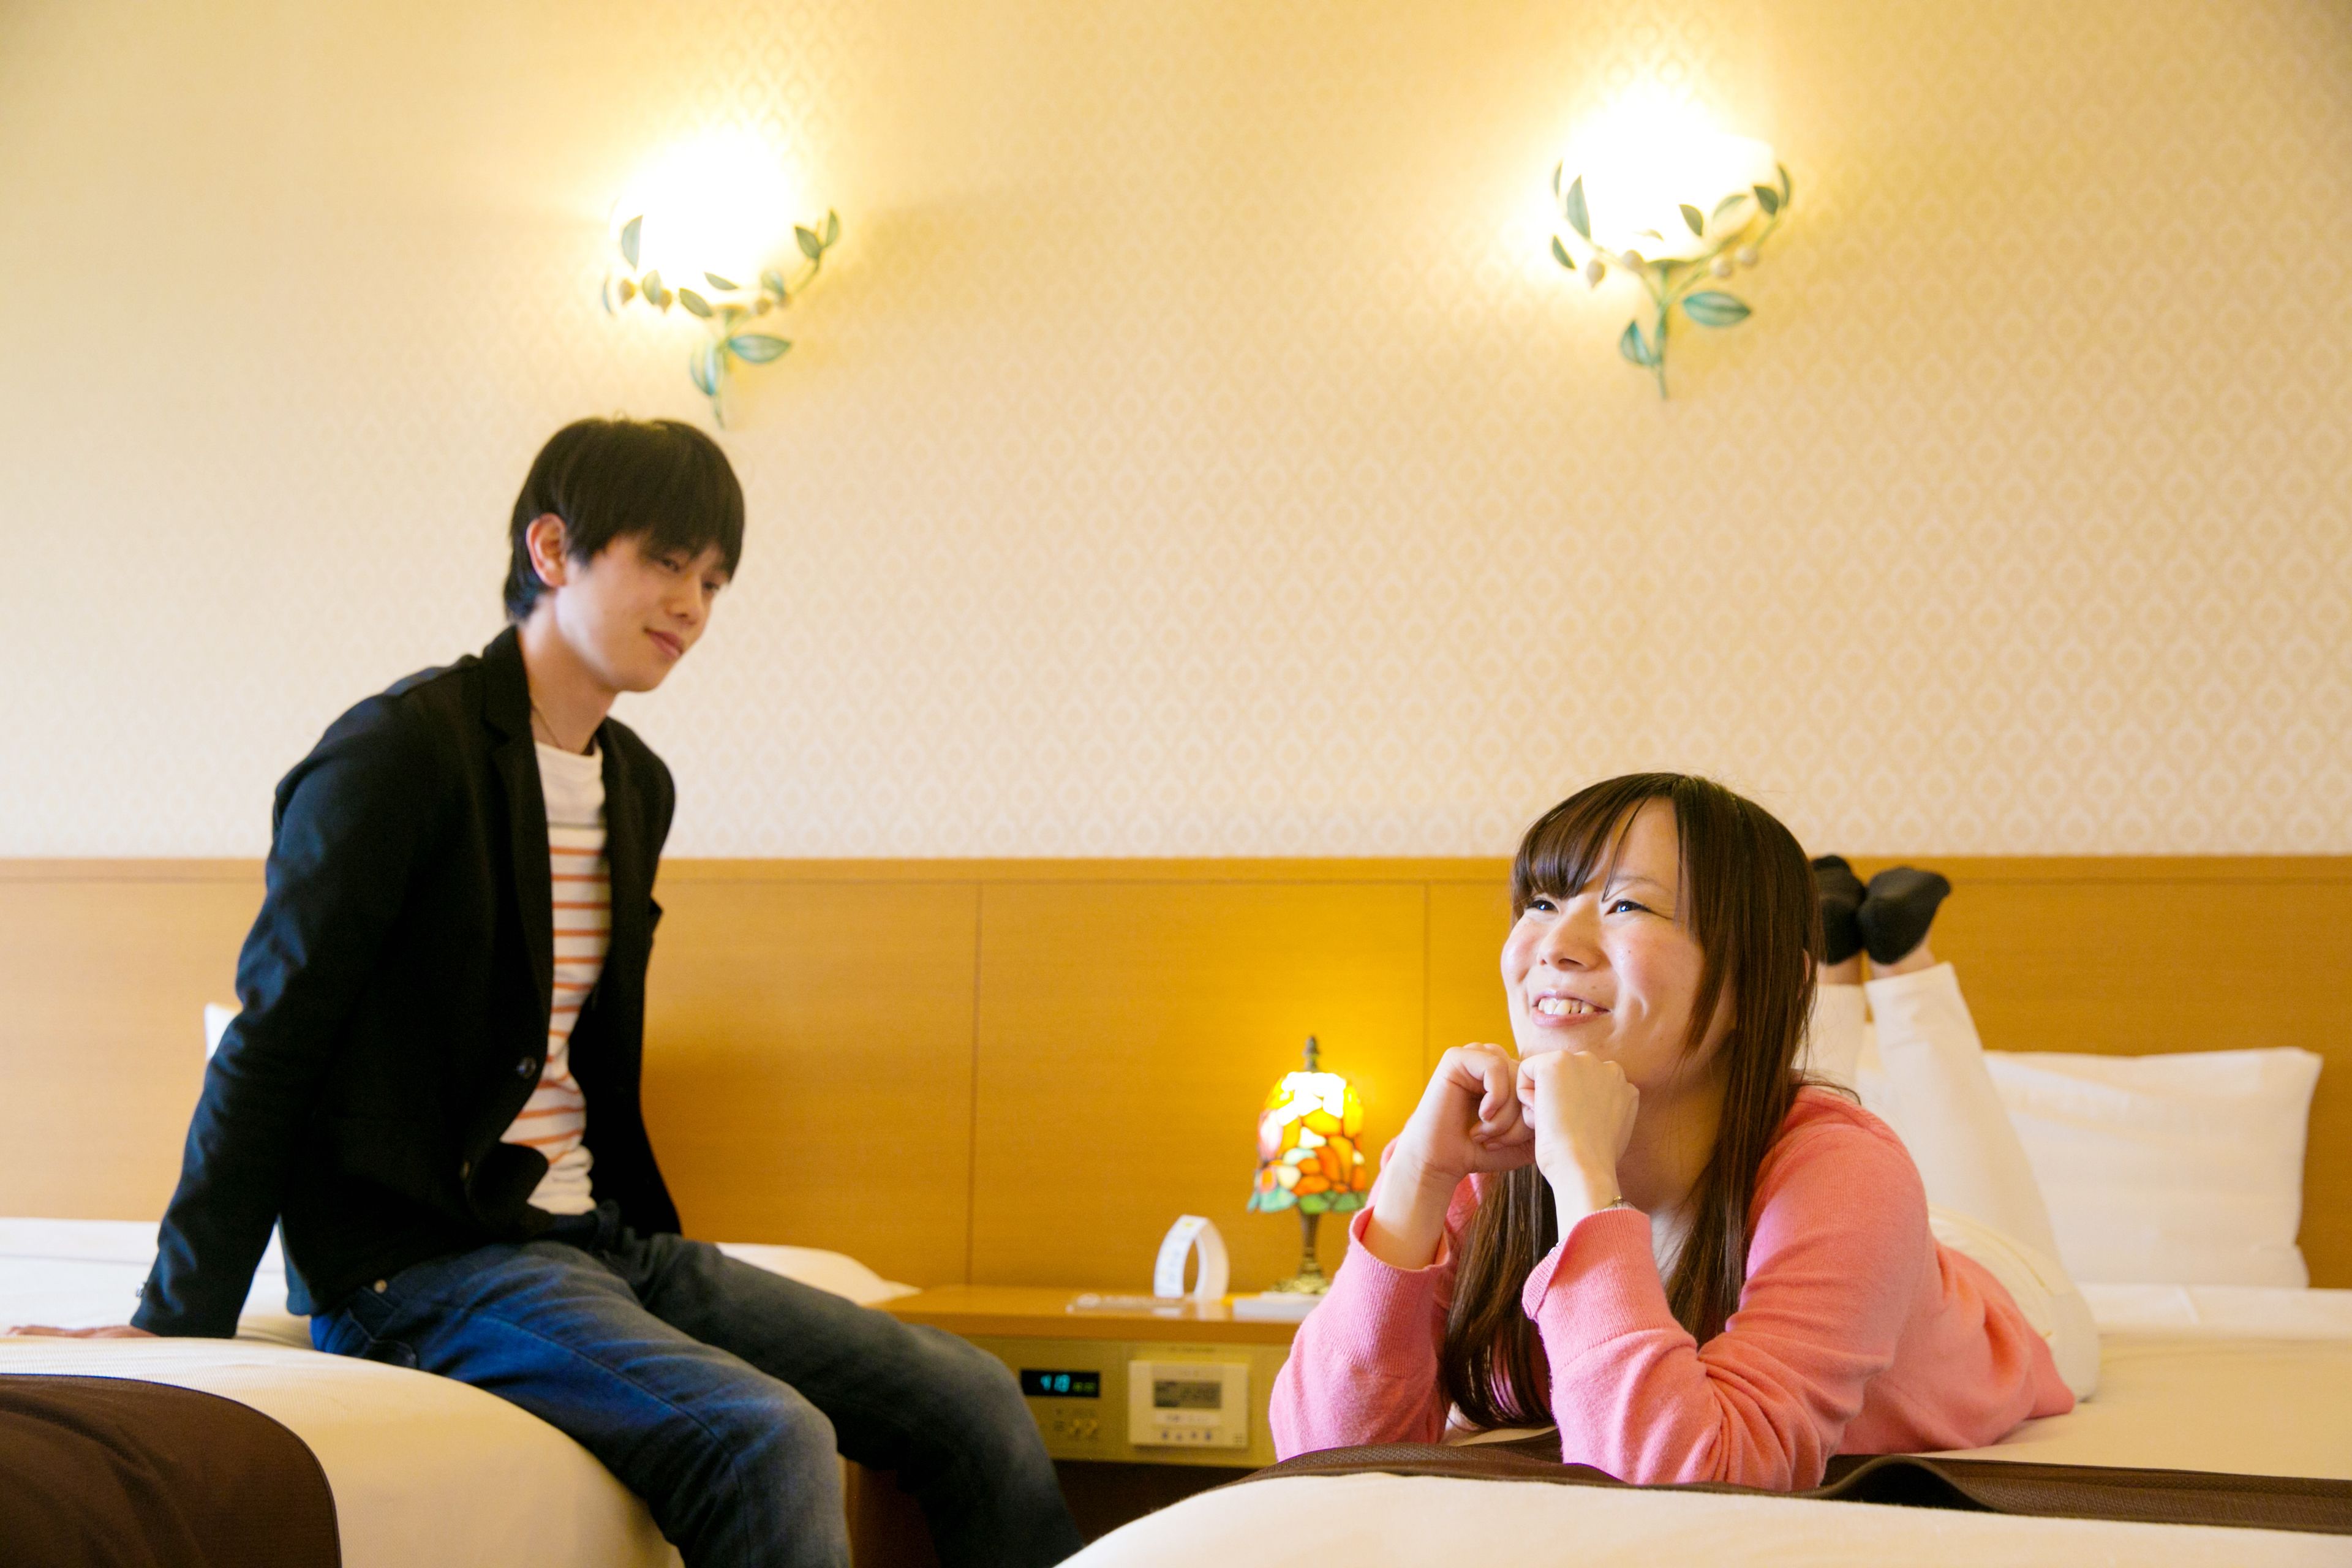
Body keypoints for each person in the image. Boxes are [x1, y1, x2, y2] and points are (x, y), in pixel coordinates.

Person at [17, 418, 1082, 1568]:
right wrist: (178, 1319)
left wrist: (640, 1258)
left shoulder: (636, 785)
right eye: (666, 562)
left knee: (974, 1398)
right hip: (416, 1264)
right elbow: (275, 1037)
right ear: (554, 549)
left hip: (595, 1242)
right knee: (763, 1438)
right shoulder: (398, 755)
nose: (693, 606)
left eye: (714, 581)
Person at [1268, 772, 2091, 1490]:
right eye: (1542, 903)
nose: (1556, 944)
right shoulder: (1487, 1149)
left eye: (1627, 905)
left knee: (1907, 1139)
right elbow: (1323, 1458)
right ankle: (1836, 956)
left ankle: (1900, 962)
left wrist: (1585, 1182)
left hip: (2010, 1305)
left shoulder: (1851, 1177)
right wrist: (1417, 1179)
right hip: (1833, 1230)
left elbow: (1684, 1485)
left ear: (1757, 981)